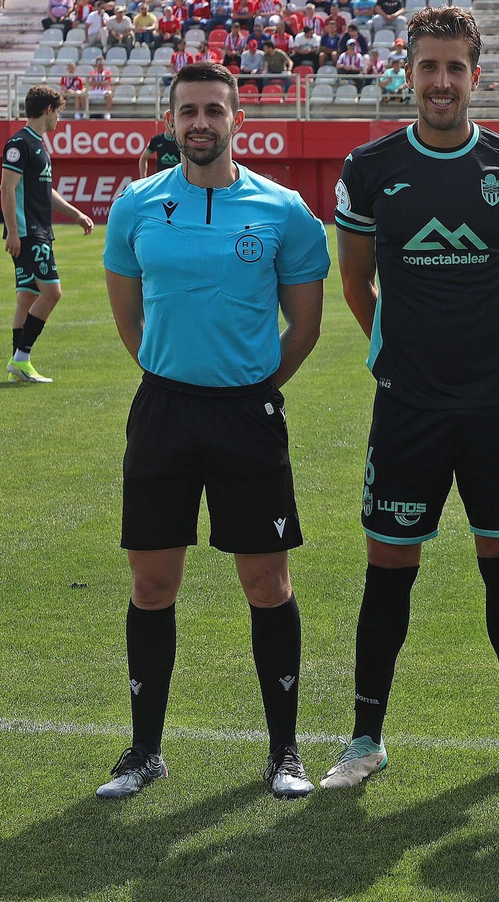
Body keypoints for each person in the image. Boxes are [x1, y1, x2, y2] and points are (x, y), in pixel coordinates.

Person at [322, 7, 499, 791]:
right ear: (409, 72)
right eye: (429, 67)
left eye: (456, 67)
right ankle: (364, 740)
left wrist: (485, 346)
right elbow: (356, 281)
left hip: (495, 403)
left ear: (476, 74)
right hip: (408, 405)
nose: (442, 82)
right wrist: (399, 351)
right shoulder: (369, 165)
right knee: (388, 571)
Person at [97, 61, 330, 800]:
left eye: (213, 111)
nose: (201, 123)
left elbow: (305, 327)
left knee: (266, 583)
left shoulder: (285, 209)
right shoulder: (135, 205)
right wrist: (176, 378)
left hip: (247, 415)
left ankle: (284, 751)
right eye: (188, 111)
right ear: (171, 121)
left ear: (237, 120)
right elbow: (128, 318)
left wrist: (249, 389)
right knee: (152, 582)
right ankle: (143, 752)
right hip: (163, 411)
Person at [0, 85, 95, 384]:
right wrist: (14, 232)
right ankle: (22, 358)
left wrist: (76, 214)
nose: (59, 120)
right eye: (59, 112)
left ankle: (19, 365)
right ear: (48, 110)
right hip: (30, 234)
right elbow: (7, 188)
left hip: (36, 231)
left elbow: (45, 191)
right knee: (52, 292)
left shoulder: (39, 144)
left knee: (27, 297)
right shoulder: (21, 143)